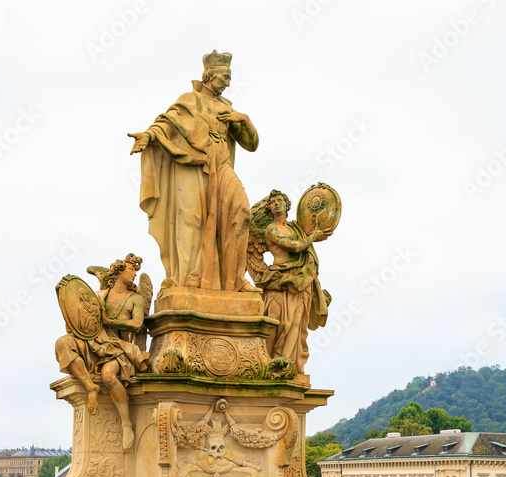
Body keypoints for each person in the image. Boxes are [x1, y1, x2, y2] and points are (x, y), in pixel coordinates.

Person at [130, 50, 260, 293]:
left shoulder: (228, 108)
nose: (228, 83)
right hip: (192, 165)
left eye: (230, 78)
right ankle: (189, 277)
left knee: (241, 211)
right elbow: (166, 124)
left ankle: (235, 278)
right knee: (192, 219)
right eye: (225, 77)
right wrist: (148, 136)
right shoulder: (190, 100)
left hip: (221, 167)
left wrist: (243, 119)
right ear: (209, 74)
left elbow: (251, 145)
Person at [54, 254, 149, 450]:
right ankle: (90, 387)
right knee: (62, 344)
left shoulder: (136, 299)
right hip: (94, 341)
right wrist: (62, 292)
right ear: (119, 271)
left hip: (118, 347)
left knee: (108, 375)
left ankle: (126, 423)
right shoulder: (99, 296)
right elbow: (77, 316)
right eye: (131, 270)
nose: (134, 274)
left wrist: (109, 321)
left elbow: (137, 324)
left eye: (135, 271)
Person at [251, 190, 330, 374]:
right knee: (276, 322)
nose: (276, 204)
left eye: (279, 200)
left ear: (287, 206)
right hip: (279, 280)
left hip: (301, 279)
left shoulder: (296, 229)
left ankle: (286, 364)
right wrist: (313, 237)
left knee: (296, 322)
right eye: (273, 202)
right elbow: (294, 247)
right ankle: (268, 363)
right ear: (269, 208)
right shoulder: (271, 230)